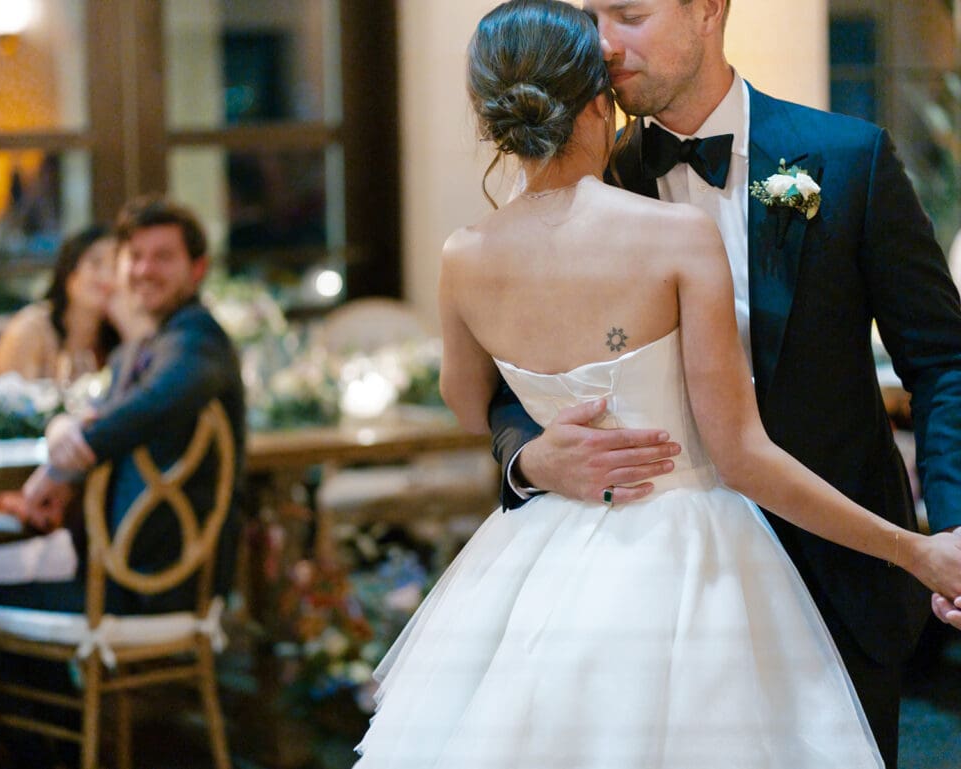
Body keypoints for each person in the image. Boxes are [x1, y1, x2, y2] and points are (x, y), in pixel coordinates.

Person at [353, 2, 961, 767]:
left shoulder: (847, 159)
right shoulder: (590, 180)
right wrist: (530, 458)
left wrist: (950, 530)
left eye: (631, 13)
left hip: (840, 573)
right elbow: (515, 390)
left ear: (709, 10)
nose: (606, 41)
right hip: (633, 586)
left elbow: (944, 362)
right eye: (595, 16)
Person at [0, 195, 245, 765]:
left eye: (164, 257)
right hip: (112, 566)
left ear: (197, 269)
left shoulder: (196, 339)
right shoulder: (143, 346)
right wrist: (64, 450)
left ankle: (37, 753)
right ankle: (57, 746)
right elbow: (94, 412)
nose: (145, 269)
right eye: (136, 257)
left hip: (149, 583)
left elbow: (151, 405)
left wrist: (62, 463)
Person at [0, 224, 120, 380]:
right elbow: (14, 399)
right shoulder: (31, 329)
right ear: (69, 272)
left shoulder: (118, 334)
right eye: (96, 263)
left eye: (116, 266)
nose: (107, 277)